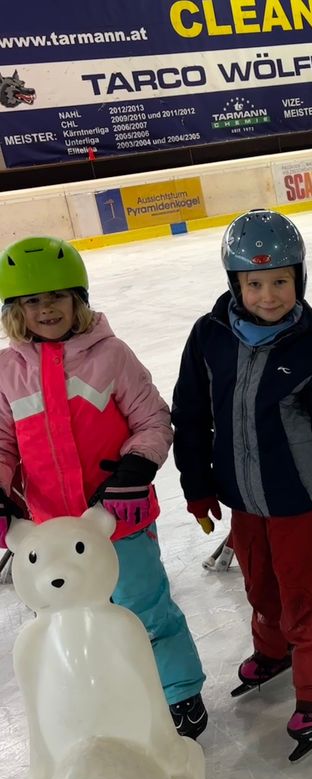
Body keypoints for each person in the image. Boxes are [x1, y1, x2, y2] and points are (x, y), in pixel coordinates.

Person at [172, 209, 312, 754]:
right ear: (235, 284)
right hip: (241, 495)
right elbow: (190, 413)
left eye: (281, 281)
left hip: (300, 499)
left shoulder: (311, 347)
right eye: (255, 283)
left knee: (305, 595)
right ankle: (274, 649)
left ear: (299, 280)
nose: (269, 295)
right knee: (260, 585)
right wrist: (198, 483)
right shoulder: (209, 337)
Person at [0, 236, 208, 736]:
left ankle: (180, 694)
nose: (46, 309)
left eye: (57, 297)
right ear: (15, 310)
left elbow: (154, 420)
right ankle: (100, 699)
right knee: (68, 622)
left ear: (79, 301)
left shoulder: (110, 356)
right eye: (33, 300)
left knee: (145, 611)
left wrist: (133, 473)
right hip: (49, 535)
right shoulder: (7, 372)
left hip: (118, 523)